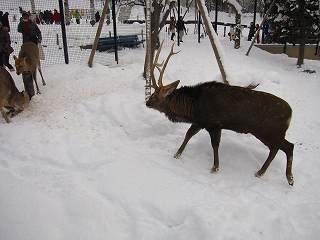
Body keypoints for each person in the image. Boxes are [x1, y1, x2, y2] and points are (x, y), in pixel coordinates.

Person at [18, 12, 42, 100]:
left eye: (26, 16)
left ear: (28, 17)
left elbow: (38, 32)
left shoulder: (33, 24)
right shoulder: (22, 25)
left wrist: (39, 39)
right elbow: (19, 30)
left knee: (33, 64)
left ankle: (34, 83)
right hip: (26, 44)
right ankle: (28, 85)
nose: (25, 17)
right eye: (24, 16)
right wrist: (21, 22)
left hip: (33, 45)